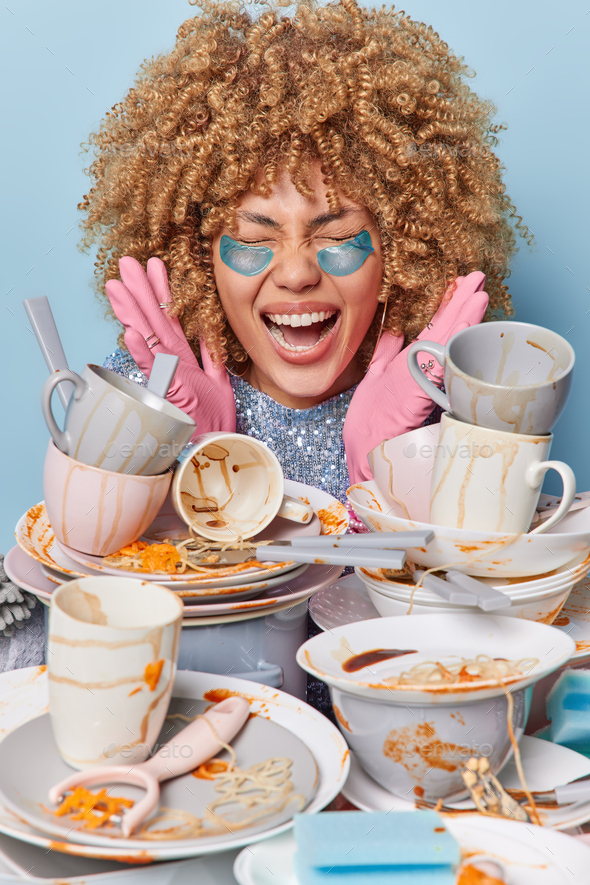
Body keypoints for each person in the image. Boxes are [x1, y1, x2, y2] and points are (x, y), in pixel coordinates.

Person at [79, 0, 524, 509]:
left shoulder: (462, 413)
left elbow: (484, 560)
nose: (296, 274)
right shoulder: (146, 396)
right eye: (253, 239)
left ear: (401, 254)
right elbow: (79, 548)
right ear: (200, 261)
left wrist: (386, 475)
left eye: (337, 235)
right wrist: (193, 458)